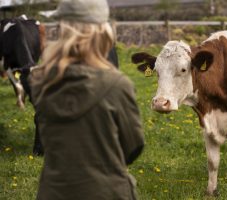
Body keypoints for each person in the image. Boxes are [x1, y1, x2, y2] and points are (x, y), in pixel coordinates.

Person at [29, 0, 144, 199]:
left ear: (62, 31)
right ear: (103, 31)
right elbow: (133, 147)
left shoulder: (40, 82)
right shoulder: (117, 85)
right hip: (108, 192)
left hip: (53, 192)